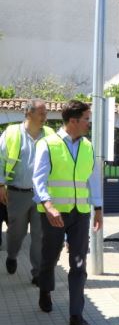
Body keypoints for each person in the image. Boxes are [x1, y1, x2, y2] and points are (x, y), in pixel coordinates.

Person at [33, 100, 102, 325]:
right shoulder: (48, 144)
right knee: (50, 257)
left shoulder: (88, 147)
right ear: (73, 121)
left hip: (80, 214)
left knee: (79, 263)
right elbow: (38, 179)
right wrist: (48, 204)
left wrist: (98, 208)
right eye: (86, 119)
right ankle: (45, 289)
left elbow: (92, 179)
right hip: (54, 213)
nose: (88, 124)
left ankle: (76, 314)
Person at [0, 100, 54, 284]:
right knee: (17, 232)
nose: (45, 116)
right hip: (17, 193)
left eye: (45, 113)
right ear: (28, 114)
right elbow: (0, 160)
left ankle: (37, 273)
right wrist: (0, 185)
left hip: (41, 196)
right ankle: (12, 255)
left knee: (39, 235)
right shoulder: (12, 133)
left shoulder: (50, 135)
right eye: (41, 113)